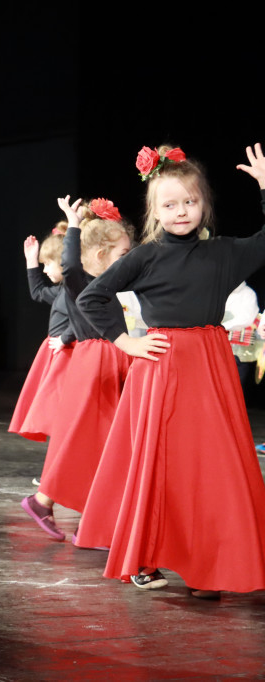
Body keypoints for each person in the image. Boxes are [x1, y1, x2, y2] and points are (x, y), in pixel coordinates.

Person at [74, 143, 265, 599]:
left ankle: (209, 566)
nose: (181, 211)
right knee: (159, 467)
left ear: (204, 205)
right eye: (170, 204)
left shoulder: (222, 253)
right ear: (155, 210)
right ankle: (148, 556)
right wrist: (126, 342)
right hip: (163, 368)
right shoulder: (145, 256)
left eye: (190, 201)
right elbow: (91, 297)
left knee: (212, 468)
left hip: (210, 368)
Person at [21, 197, 132, 539]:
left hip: (106, 362)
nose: (128, 262)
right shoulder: (82, 282)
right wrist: (73, 226)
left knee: (98, 445)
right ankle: (68, 511)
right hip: (95, 365)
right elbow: (69, 265)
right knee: (96, 443)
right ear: (99, 256)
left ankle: (79, 515)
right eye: (122, 255)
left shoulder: (106, 286)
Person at [8, 228, 75, 447]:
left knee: (60, 410)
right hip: (56, 353)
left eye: (48, 264)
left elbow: (84, 317)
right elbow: (37, 291)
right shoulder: (61, 291)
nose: (45, 270)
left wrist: (65, 337)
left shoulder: (76, 292)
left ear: (63, 264)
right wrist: (31, 261)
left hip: (67, 356)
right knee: (54, 411)